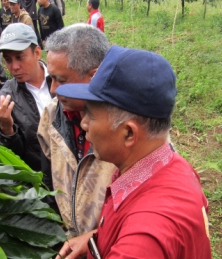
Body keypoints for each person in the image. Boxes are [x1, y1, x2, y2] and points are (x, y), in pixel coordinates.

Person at [54, 46, 212, 258]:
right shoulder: (172, 165)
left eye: (90, 115)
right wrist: (96, 239)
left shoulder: (143, 240)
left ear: (129, 133)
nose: (83, 123)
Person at [37, 23, 116, 237]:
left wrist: (94, 238)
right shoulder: (52, 116)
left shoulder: (122, 129)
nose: (53, 89)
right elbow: (47, 177)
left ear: (94, 76)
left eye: (61, 80)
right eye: (51, 78)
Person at [0, 23, 52, 173]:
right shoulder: (6, 100)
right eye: (8, 60)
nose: (14, 67)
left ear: (37, 53)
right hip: (43, 179)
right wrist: (7, 128)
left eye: (19, 57)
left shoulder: (60, 79)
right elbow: (14, 157)